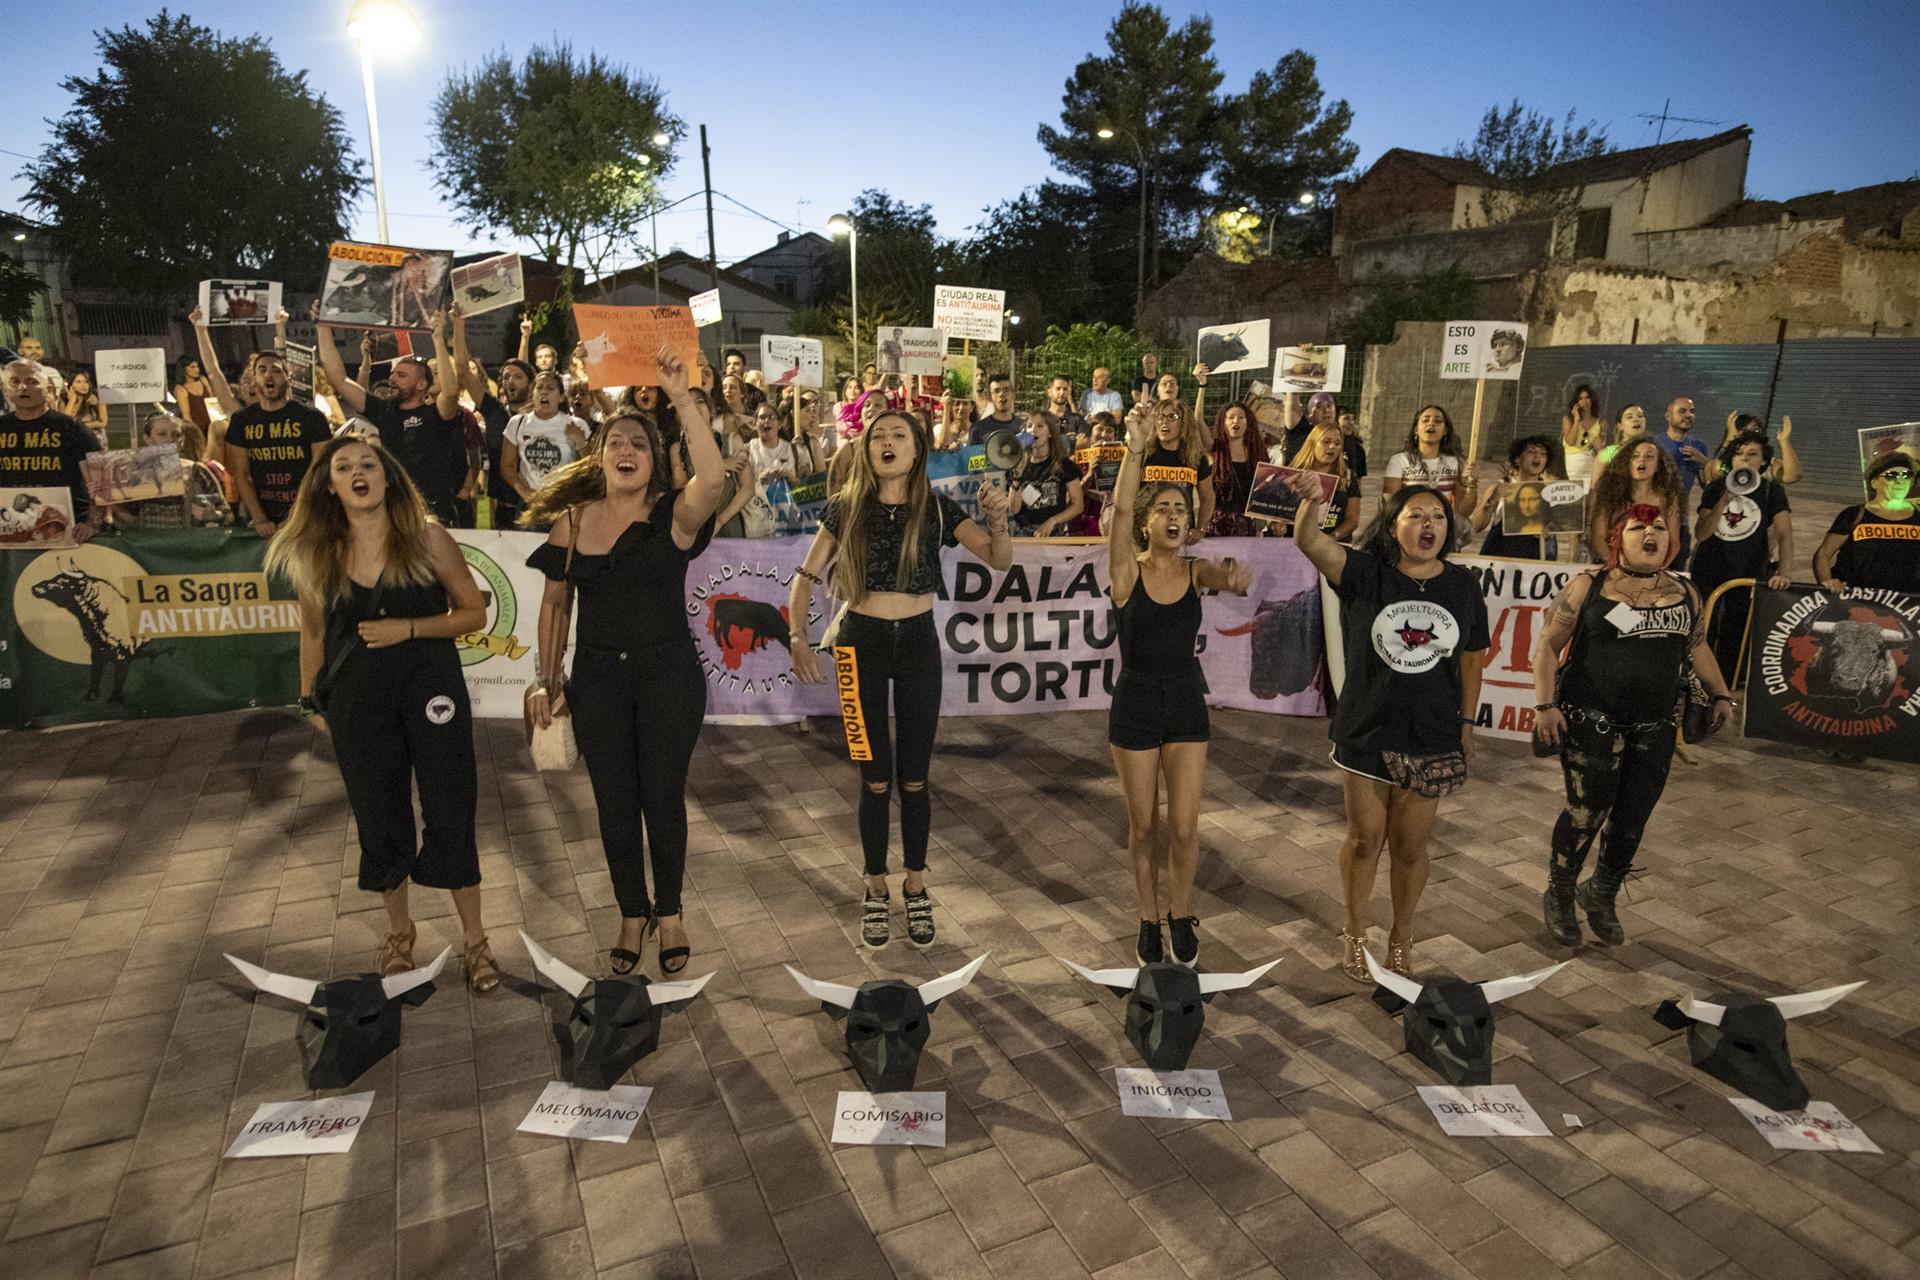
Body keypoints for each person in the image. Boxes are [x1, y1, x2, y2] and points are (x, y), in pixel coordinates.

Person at [266, 433, 501, 993]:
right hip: (357, 699)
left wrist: (410, 629)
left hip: (432, 692)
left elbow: (472, 615)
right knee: (378, 815)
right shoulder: (317, 551)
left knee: (450, 806)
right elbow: (314, 630)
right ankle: (401, 931)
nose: (356, 472)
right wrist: (309, 699)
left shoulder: (428, 539)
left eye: (368, 463)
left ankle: (475, 938)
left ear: (389, 475)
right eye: (343, 467)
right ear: (328, 485)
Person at [524, 348, 725, 975]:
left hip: (669, 676)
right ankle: (630, 913)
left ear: (653, 459)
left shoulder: (673, 518)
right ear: (601, 456)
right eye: (616, 441)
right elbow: (556, 605)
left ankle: (670, 913)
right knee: (613, 803)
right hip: (599, 682)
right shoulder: (572, 522)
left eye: (638, 440)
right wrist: (545, 680)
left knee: (661, 798)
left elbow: (714, 481)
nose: (626, 448)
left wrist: (680, 396)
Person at [789, 409, 1013, 948]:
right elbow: (803, 577)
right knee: (874, 779)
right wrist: (797, 635)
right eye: (878, 436)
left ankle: (915, 885)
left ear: (918, 449)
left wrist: (999, 521)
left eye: (898, 435)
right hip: (857, 647)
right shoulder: (848, 507)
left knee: (914, 778)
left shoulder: (936, 508)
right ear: (866, 449)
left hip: (917, 646)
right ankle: (874, 887)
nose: (887, 442)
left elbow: (1000, 561)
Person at [1289, 477, 1488, 981]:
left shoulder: (1463, 586)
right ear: (1393, 524)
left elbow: (1471, 661)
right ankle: (1355, 931)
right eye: (1416, 515)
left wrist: (1466, 723)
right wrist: (1314, 499)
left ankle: (1401, 935)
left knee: (1410, 847)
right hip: (1367, 728)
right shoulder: (1365, 573)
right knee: (1364, 840)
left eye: (1438, 517)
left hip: (1432, 732)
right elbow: (1309, 542)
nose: (1428, 525)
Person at [1534, 505, 1734, 946]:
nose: (1651, 534)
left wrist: (1720, 693)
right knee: (1587, 812)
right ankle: (1561, 892)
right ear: (1617, 539)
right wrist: (1545, 704)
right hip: (1593, 719)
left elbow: (1697, 645)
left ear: (1670, 540)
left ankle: (1601, 893)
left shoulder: (1686, 592)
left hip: (1657, 725)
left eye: (1659, 528)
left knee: (1632, 817)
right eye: (1639, 527)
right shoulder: (1590, 586)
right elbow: (1548, 645)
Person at [1107, 399, 1252, 965]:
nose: (1173, 514)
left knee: (1186, 829)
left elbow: (1228, 574)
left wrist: (1236, 578)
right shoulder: (1126, 573)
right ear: (1146, 520)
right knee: (1143, 826)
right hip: (1136, 704)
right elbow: (1117, 510)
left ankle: (1182, 912)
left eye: (1182, 509)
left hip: (1187, 702)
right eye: (1162, 507)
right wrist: (1136, 449)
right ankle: (1147, 916)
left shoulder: (1195, 570)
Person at [317, 307, 469, 524]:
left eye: (401, 375)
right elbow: (339, 380)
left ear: (421, 384)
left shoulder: (436, 414)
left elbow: (451, 392)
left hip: (435, 514)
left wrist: (437, 339)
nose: (392, 379)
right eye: (392, 374)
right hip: (394, 511)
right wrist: (323, 327)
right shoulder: (384, 410)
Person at [1691, 432, 1793, 683]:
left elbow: (1785, 533)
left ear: (1764, 462)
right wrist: (1724, 498)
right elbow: (1701, 533)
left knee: (1737, 631)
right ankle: (1696, 680)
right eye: (1739, 454)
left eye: (1752, 454)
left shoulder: (1772, 491)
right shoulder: (1716, 487)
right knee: (1703, 629)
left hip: (1747, 572)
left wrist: (1784, 572)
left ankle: (1728, 683)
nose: (1744, 459)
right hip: (1709, 570)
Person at [220, 349, 333, 537]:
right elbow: (242, 474)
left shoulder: (311, 418)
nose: (268, 375)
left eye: (276, 370)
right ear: (255, 380)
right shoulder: (242, 420)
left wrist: (298, 517)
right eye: (262, 370)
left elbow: (319, 472)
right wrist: (260, 519)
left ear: (288, 379)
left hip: (307, 515)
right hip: (262, 517)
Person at [1, 358, 101, 540]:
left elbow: (99, 480)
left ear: (48, 389)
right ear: (5, 389)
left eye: (32, 382)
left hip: (68, 528)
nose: (23, 387)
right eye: (15, 382)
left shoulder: (73, 429)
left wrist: (92, 524)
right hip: (9, 528)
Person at [1815, 451, 1919, 595]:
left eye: (1906, 475)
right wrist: (1827, 583)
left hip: (1906, 606)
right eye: (1891, 476)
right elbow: (1822, 555)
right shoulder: (1854, 515)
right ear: (1874, 482)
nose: (1900, 481)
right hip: (1858, 601)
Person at [115, 413, 231, 528]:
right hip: (146, 543)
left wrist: (214, 515)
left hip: (189, 543)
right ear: (147, 438)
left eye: (176, 435)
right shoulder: (131, 473)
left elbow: (227, 514)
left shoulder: (196, 471)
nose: (170, 439)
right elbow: (119, 514)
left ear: (183, 440)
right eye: (162, 434)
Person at [503, 370, 590, 514]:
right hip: (529, 503)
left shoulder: (575, 424)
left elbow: (590, 466)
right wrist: (526, 494)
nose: (544, 392)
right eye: (539, 388)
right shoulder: (517, 423)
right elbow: (507, 465)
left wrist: (581, 442)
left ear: (561, 397)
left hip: (564, 503)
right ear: (532, 395)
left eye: (550, 388)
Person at [1589, 439, 1684, 563]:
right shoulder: (1610, 494)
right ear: (1626, 463)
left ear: (1658, 466)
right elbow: (1598, 537)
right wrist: (1616, 565)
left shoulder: (1668, 498)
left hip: (1652, 567)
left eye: (1649, 456)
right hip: (1614, 566)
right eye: (1635, 456)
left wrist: (1658, 568)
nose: (1641, 460)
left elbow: (1674, 542)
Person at [1470, 435, 1561, 559]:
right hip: (1498, 556)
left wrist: (1549, 534)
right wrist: (1491, 503)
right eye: (1531, 452)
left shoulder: (1549, 493)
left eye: (1543, 454)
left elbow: (1553, 535)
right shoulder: (1500, 487)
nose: (1537, 456)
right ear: (1517, 459)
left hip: (1532, 559)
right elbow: (1477, 526)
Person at [1138, 394, 1214, 542]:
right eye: (1160, 417)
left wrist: (1201, 529)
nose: (1164, 421)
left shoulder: (1197, 457)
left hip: (1181, 535)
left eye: (1171, 416)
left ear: (1184, 424)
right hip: (1147, 535)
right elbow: (1128, 496)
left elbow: (1208, 497)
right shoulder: (1143, 454)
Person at [1381, 404, 1475, 515]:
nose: (1431, 423)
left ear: (1445, 431)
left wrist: (1472, 487)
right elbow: (1391, 501)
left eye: (1438, 421)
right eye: (1425, 420)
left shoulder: (1457, 463)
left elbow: (1464, 511)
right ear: (1416, 429)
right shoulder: (1399, 461)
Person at [1651, 397, 1712, 564]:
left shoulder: (1699, 446)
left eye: (1692, 411)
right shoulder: (1654, 444)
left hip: (1681, 521)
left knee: (1676, 570)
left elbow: (1706, 484)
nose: (1688, 415)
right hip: (1653, 517)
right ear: (1668, 416)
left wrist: (1703, 461)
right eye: (1682, 411)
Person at [1007, 413, 1084, 537]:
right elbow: (1014, 509)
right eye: (1029, 426)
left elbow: (1078, 505)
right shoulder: (1018, 465)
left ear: (1050, 433)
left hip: (1055, 534)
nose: (1033, 430)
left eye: (1040, 426)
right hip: (1025, 535)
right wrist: (1017, 476)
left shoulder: (1064, 465)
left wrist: (1052, 521)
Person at [1281, 422, 1359, 541]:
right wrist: (1276, 524)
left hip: (1332, 546)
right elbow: (1278, 510)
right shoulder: (1293, 474)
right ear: (1313, 443)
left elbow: (1353, 519)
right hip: (1295, 543)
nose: (1332, 446)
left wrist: (1332, 538)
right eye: (1326, 442)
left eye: (1337, 443)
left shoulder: (1347, 476)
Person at [1206, 401, 1264, 538]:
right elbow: (1198, 423)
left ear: (1248, 422)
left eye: (1241, 417)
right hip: (1216, 524)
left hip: (1245, 526)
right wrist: (1203, 385)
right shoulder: (1217, 452)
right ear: (1223, 422)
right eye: (1230, 417)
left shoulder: (1257, 453)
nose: (1235, 421)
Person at [1708, 411, 1803, 486]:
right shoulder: (1726, 461)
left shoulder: (1767, 463)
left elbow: (1792, 477)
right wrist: (1729, 439)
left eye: (1756, 429)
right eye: (1744, 430)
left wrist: (1784, 441)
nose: (1751, 433)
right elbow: (1717, 473)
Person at [1275, 392, 1337, 464]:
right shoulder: (1300, 432)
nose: (1326, 410)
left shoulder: (1343, 437)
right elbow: (1293, 398)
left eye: (1329, 405)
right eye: (1318, 407)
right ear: (1310, 414)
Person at [1561, 385, 1604, 484]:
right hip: (1572, 470)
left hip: (1591, 468)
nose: (1584, 402)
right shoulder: (1568, 420)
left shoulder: (1601, 422)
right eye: (1580, 399)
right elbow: (1571, 441)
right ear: (1576, 402)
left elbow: (1598, 452)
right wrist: (1576, 419)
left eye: (1587, 398)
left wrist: (1596, 447)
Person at [968, 372, 1020, 446]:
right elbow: (969, 455)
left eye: (1006, 390)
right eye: (997, 391)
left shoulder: (1023, 427)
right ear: (989, 397)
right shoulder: (978, 429)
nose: (1001, 394)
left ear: (1013, 394)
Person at [61, 370, 109, 448]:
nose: (83, 385)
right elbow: (64, 422)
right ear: (71, 385)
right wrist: (72, 400)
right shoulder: (64, 401)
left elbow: (103, 422)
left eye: (86, 382)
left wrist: (80, 426)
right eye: (78, 382)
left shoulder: (95, 398)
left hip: (94, 440)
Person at [1038, 374, 1087, 444]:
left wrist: (1078, 440)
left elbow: (1084, 445)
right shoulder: (1039, 418)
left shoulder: (1078, 419)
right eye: (1058, 389)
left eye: (1065, 389)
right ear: (1049, 392)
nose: (1062, 392)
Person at [1595, 404, 1647, 469]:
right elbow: (1597, 479)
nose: (1636, 419)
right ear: (1620, 426)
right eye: (1629, 417)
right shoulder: (1608, 454)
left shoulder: (1652, 452)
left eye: (1640, 416)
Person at [173, 355, 215, 433]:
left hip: (210, 424)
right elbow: (186, 416)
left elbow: (212, 402)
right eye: (192, 367)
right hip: (195, 426)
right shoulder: (180, 389)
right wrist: (195, 433)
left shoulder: (203, 380)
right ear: (183, 369)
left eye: (197, 366)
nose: (197, 370)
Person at [1337, 410, 1369, 485]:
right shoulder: (1329, 447)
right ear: (1336, 421)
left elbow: (1358, 481)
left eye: (1353, 419)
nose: (1351, 422)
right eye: (1346, 418)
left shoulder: (1358, 449)